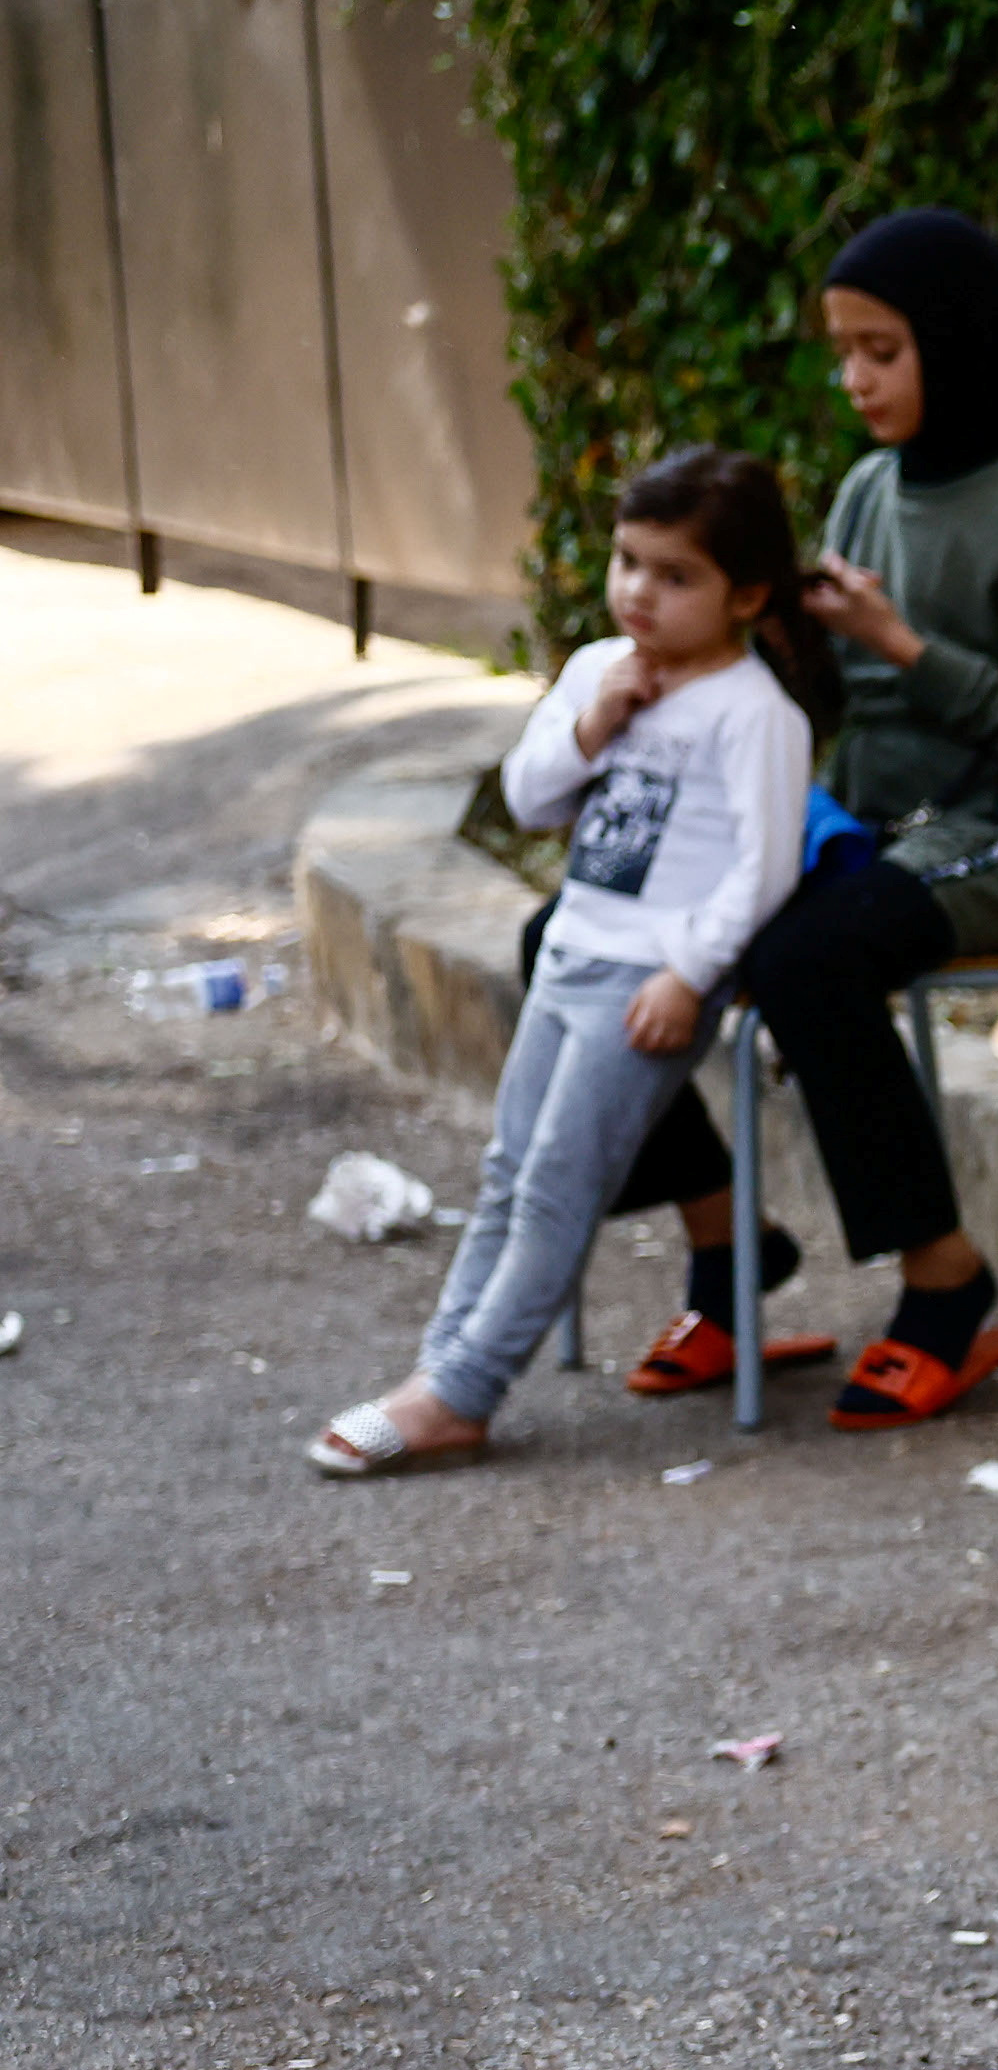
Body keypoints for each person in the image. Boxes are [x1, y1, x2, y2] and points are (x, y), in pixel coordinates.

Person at [599, 208, 998, 1429]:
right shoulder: (872, 487)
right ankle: (730, 1252)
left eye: (882, 350)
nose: (855, 379)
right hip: (866, 826)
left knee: (805, 956)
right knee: (605, 927)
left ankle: (946, 1283)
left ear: (960, 344)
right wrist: (765, 638)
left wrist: (899, 644)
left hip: (996, 839)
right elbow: (828, 705)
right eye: (845, 351)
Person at [315, 450, 824, 1478]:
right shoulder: (601, 668)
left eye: (675, 576)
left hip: (646, 984)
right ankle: (442, 1369)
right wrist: (599, 719)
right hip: (573, 955)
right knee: (508, 1168)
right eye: (628, 561)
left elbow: (766, 869)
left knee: (558, 1182)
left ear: (748, 594)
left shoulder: (757, 713)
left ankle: (460, 1394)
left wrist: (691, 974)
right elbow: (531, 794)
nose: (639, 590)